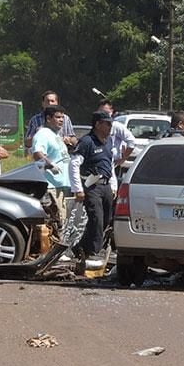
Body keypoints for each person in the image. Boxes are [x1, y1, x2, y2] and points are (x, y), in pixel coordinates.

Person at [69, 111, 115, 268]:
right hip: (91, 185)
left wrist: (113, 185)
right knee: (96, 218)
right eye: (107, 123)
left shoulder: (108, 142)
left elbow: (110, 165)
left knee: (107, 219)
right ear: (97, 124)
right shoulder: (87, 142)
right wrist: (78, 189)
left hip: (106, 185)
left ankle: (82, 247)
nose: (110, 127)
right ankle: (95, 252)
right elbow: (74, 164)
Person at [31, 105, 72, 220]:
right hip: (51, 186)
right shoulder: (42, 134)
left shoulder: (56, 135)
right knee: (55, 220)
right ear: (48, 118)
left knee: (64, 220)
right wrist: (50, 165)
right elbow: (37, 153)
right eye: (58, 117)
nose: (61, 120)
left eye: (62, 118)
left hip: (62, 185)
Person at [98, 100, 134, 189]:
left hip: (113, 163)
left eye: (106, 112)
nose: (104, 115)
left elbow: (131, 142)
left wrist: (123, 159)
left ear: (112, 112)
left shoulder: (116, 126)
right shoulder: (97, 125)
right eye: (101, 112)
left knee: (112, 189)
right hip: (99, 163)